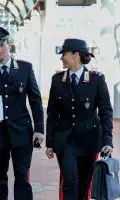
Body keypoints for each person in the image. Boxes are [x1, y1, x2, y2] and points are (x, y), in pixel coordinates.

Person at [0, 26, 44, 200]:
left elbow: (35, 100)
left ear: (9, 44)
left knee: (22, 176)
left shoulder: (25, 69)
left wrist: (40, 129)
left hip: (22, 132)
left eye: (2, 44)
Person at [45, 38, 113, 200]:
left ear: (76, 55)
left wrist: (108, 141)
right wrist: (49, 142)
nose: (62, 57)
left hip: (89, 141)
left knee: (84, 184)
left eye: (64, 54)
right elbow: (52, 113)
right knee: (70, 181)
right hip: (65, 141)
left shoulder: (96, 80)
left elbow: (105, 112)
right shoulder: (57, 80)